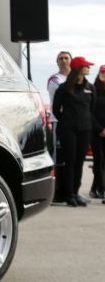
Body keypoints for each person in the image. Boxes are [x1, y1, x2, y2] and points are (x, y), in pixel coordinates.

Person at [51, 56, 96, 206]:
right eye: (86, 65)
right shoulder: (64, 88)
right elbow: (56, 109)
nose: (89, 68)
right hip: (68, 130)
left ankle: (76, 193)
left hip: (85, 130)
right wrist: (66, 121)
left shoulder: (90, 88)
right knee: (70, 162)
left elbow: (92, 109)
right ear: (78, 68)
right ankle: (68, 194)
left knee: (79, 162)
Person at [47, 51, 72, 166]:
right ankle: (57, 181)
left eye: (66, 58)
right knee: (59, 156)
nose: (63, 60)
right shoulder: (54, 79)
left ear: (71, 60)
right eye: (60, 59)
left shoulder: (78, 79)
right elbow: (67, 97)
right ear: (57, 62)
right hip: (60, 121)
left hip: (77, 121)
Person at [91, 67, 105, 200]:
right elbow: (89, 112)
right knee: (98, 161)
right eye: (103, 73)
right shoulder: (93, 90)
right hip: (96, 132)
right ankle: (100, 188)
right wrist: (100, 129)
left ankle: (96, 188)